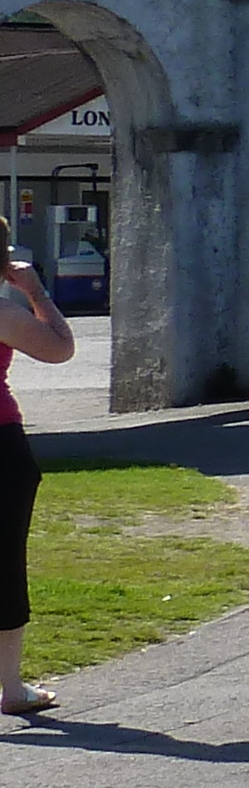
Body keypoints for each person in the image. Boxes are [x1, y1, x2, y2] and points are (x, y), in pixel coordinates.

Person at [1, 235, 81, 716]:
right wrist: (35, 291)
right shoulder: (4, 314)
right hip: (0, 445)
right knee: (4, 561)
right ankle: (10, 687)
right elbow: (60, 349)